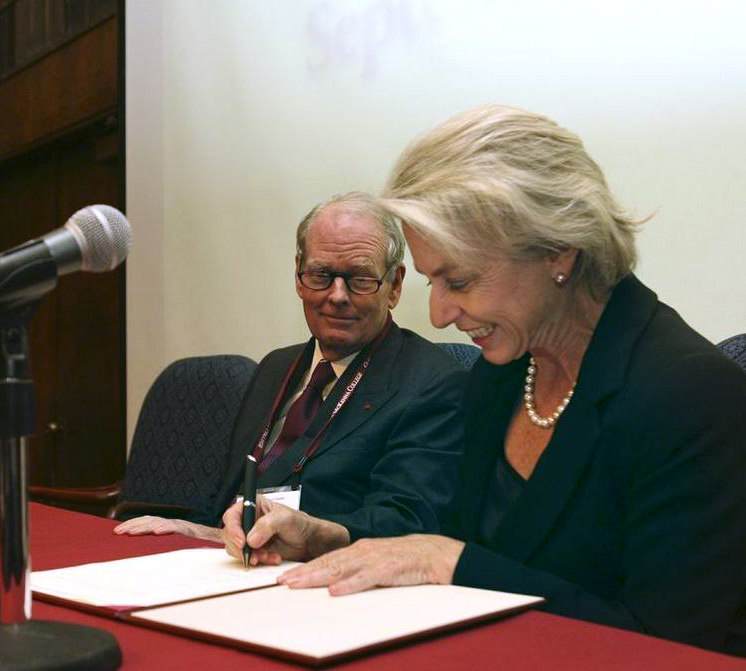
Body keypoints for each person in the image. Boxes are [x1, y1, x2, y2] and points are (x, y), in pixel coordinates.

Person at [253, 106, 746, 655]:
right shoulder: (503, 374)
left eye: (457, 280)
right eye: (431, 281)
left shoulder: (691, 395)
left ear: (558, 250)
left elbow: (668, 646)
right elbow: (442, 544)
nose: (438, 314)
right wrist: (329, 535)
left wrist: (453, 563)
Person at [115, 192, 466, 555]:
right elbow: (231, 491)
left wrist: (313, 534)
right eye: (321, 275)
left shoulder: (432, 383)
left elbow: (405, 522)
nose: (337, 295)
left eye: (360, 279)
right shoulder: (275, 367)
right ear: (299, 276)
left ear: (393, 286)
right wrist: (198, 530)